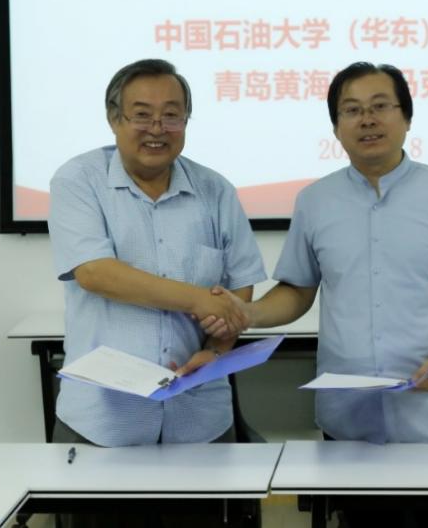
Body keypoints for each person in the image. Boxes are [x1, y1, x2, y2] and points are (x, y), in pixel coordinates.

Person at [206, 61, 428, 445]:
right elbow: (297, 290)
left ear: (407, 118)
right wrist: (249, 313)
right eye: (352, 110)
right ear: (336, 128)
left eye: (380, 106)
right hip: (347, 415)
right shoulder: (314, 201)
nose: (367, 119)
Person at [48, 58, 266, 452]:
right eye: (142, 115)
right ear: (114, 119)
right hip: (104, 420)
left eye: (171, 115)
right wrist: (198, 299)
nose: (157, 128)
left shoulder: (215, 190)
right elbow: (96, 273)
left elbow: (239, 287)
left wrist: (216, 348)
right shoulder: (79, 180)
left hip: (200, 416)